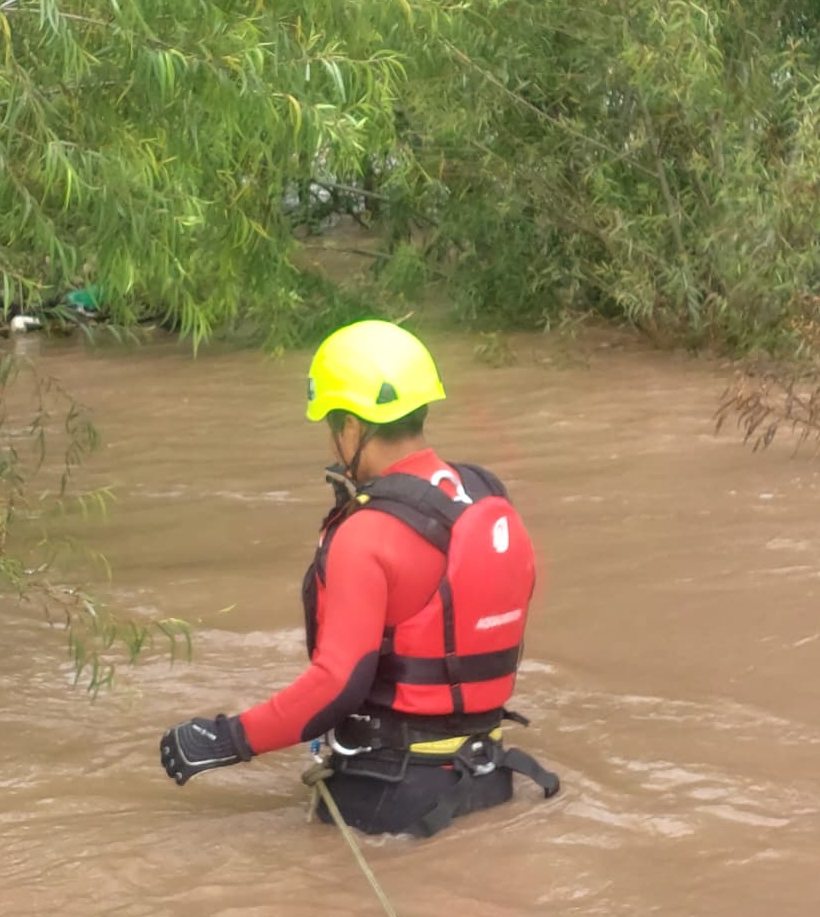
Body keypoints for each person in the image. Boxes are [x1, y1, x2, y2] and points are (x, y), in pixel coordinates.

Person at [155, 321, 553, 836]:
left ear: (349, 427)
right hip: (489, 777)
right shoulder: (482, 490)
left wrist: (225, 739)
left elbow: (335, 685)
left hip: (389, 798)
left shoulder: (366, 532)